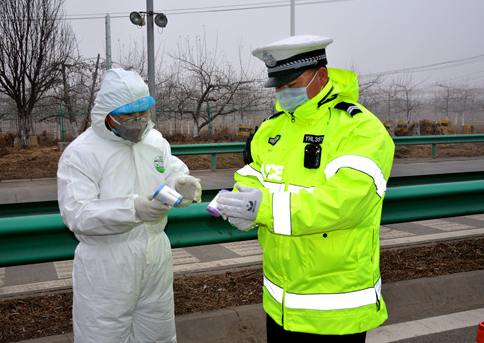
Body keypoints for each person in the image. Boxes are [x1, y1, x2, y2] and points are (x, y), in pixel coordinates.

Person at [217, 35, 395, 341]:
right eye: (278, 86)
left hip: (336, 309)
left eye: (291, 84)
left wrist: (264, 208)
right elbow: (250, 177)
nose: (283, 92)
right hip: (281, 304)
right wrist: (242, 206)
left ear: (321, 75)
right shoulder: (272, 129)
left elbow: (342, 204)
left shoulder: (360, 130)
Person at [57, 68, 201, 343]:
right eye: (128, 116)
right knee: (103, 336)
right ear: (107, 115)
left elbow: (171, 173)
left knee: (158, 335)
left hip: (156, 256)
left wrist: (180, 184)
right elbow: (76, 213)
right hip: (107, 266)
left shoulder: (154, 142)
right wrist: (132, 209)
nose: (138, 122)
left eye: (143, 114)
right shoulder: (81, 153)